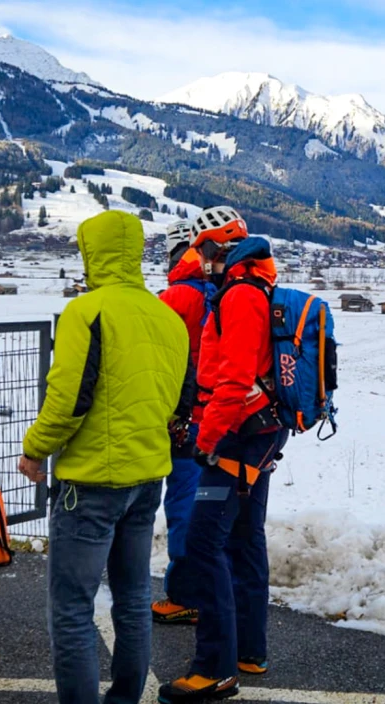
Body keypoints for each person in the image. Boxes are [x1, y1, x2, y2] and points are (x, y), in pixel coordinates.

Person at [17, 211, 190, 704]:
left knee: (72, 608)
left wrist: (35, 450)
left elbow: (68, 401)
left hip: (91, 482)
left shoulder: (87, 311)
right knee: (133, 599)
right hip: (147, 478)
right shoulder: (168, 318)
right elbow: (180, 400)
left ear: (92, 253)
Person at [160, 207, 287, 703]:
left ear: (214, 248)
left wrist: (206, 440)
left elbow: (233, 379)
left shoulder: (238, 296)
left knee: (203, 544)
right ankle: (249, 651)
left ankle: (214, 669)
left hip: (236, 436)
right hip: (259, 432)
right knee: (244, 539)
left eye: (201, 251)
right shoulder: (255, 287)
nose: (199, 260)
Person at [153, 220, 216, 626]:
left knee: (182, 503)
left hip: (184, 418)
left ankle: (185, 596)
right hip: (219, 415)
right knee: (210, 502)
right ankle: (211, 588)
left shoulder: (176, 297)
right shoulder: (220, 291)